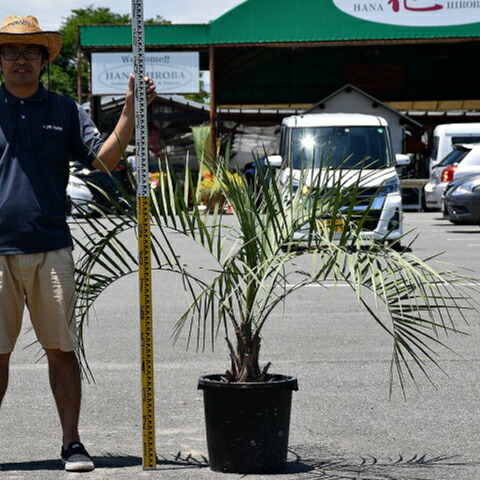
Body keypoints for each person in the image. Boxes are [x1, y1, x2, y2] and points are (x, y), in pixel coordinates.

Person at [0, 15, 156, 472]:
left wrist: (129, 112)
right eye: (10, 50)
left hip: (51, 247)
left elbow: (104, 162)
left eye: (30, 51)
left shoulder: (65, 110)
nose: (20, 59)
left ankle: (71, 444)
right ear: (0, 59)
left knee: (62, 350)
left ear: (45, 59)